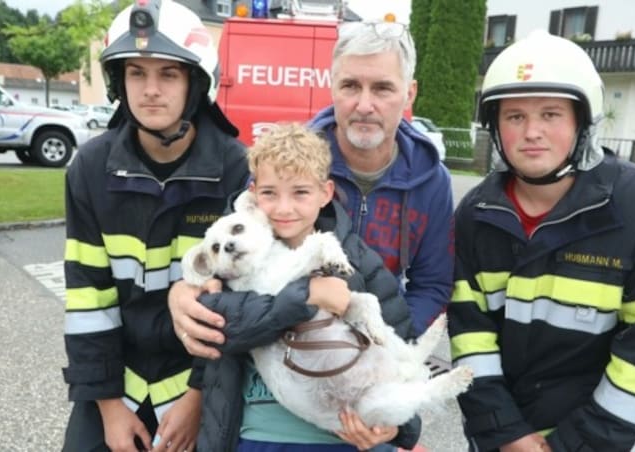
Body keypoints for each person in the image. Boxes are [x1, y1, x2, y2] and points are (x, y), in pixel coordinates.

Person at [448, 29, 635, 452]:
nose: (532, 132)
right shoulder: (476, 214)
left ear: (583, 121)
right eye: (515, 116)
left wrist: (574, 446)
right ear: (495, 125)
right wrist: (507, 435)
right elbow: (470, 335)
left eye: (550, 114)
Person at [170, 18, 454, 365]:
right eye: (350, 86)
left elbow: (432, 285)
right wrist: (184, 290)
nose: (364, 104)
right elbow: (229, 270)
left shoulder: (432, 181)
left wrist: (388, 355)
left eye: (382, 88)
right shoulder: (289, 168)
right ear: (332, 86)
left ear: (409, 93)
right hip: (287, 352)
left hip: (380, 354)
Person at [60, 1, 249, 450]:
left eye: (168, 74)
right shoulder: (90, 168)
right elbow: (89, 296)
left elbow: (236, 303)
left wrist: (199, 397)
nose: (150, 90)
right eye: (136, 73)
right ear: (118, 83)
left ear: (195, 83)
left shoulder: (234, 169)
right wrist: (108, 409)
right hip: (115, 382)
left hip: (197, 382)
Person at [188, 123, 419, 451]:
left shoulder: (357, 259)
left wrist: (397, 429)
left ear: (325, 193)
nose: (284, 209)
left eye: (300, 192)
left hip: (345, 436)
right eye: (270, 193)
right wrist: (308, 296)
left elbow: (400, 341)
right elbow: (220, 329)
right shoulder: (228, 261)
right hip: (260, 434)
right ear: (253, 194)